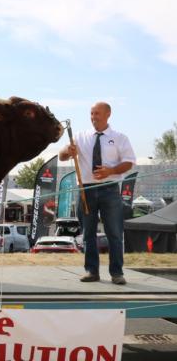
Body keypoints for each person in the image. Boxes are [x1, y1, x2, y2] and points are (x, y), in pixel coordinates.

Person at [59, 102, 135, 285]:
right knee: (87, 234)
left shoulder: (119, 138)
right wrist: (67, 151)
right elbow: (61, 156)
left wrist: (111, 171)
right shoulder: (80, 136)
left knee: (114, 233)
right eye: (91, 113)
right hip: (86, 190)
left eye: (97, 113)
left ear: (108, 114)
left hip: (110, 189)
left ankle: (117, 273)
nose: (94, 117)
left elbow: (129, 162)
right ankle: (91, 271)